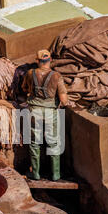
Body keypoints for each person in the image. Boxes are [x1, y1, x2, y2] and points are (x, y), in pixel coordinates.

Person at [21, 50, 70, 181]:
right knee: (53, 143)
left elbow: (24, 88)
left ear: (37, 60)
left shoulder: (30, 73)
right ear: (50, 60)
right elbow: (64, 100)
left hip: (34, 111)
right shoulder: (56, 76)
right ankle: (55, 175)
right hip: (50, 113)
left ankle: (35, 174)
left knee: (34, 143)